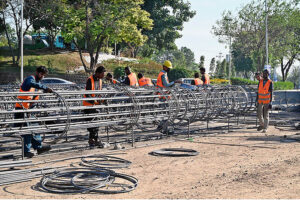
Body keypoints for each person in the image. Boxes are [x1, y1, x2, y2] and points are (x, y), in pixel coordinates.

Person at [15, 66, 53, 158]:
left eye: (43, 75)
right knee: (27, 131)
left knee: (35, 128)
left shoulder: (37, 83)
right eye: (41, 74)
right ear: (37, 72)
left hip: (29, 110)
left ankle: (38, 147)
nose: (42, 76)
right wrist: (45, 88)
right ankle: (26, 151)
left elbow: (33, 97)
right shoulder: (30, 79)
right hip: (21, 109)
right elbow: (33, 85)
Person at [83, 65, 106, 147]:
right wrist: (94, 101)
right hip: (88, 105)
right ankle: (93, 140)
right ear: (97, 73)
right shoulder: (90, 79)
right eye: (102, 74)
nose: (103, 76)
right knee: (92, 124)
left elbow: (99, 92)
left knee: (95, 123)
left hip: (95, 105)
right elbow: (88, 94)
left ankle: (93, 140)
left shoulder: (100, 81)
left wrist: (102, 99)